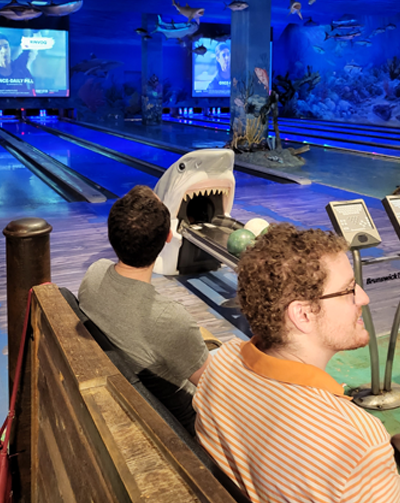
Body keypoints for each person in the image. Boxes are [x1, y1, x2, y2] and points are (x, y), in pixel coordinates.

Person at [194, 223, 400, 502]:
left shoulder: (222, 363)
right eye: (348, 290)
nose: (363, 297)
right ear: (302, 315)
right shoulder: (360, 442)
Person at [78, 185, 209, 434]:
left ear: (111, 235)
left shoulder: (94, 274)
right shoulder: (169, 319)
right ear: (167, 237)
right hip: (188, 424)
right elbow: (214, 386)